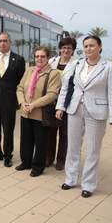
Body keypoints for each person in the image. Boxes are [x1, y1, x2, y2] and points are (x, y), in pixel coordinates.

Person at [56, 35, 112, 198]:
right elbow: (66, 87)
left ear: (100, 47)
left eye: (92, 45)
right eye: (85, 46)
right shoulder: (76, 64)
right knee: (72, 147)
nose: (88, 49)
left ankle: (88, 184)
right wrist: (60, 107)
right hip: (75, 109)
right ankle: (70, 179)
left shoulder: (109, 67)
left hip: (97, 112)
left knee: (93, 150)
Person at [15, 46, 61, 177]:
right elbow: (19, 88)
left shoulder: (54, 73)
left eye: (43, 56)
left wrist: (33, 105)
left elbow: (52, 95)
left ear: (48, 58)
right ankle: (26, 162)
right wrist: (22, 102)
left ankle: (38, 166)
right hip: (25, 111)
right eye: (37, 56)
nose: (39, 59)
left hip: (40, 114)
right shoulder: (29, 70)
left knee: (41, 142)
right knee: (25, 139)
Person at [0, 32, 25, 167]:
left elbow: (21, 81)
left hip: (8, 100)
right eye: (0, 41)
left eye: (5, 41)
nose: (2, 43)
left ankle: (7, 155)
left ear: (10, 42)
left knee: (8, 128)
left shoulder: (18, 59)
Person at [46, 37, 77, 170]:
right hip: (52, 101)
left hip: (67, 102)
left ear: (73, 50)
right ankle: (49, 158)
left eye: (69, 48)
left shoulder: (77, 64)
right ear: (60, 49)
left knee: (64, 134)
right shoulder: (52, 61)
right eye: (64, 47)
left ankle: (61, 160)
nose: (66, 50)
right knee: (50, 132)